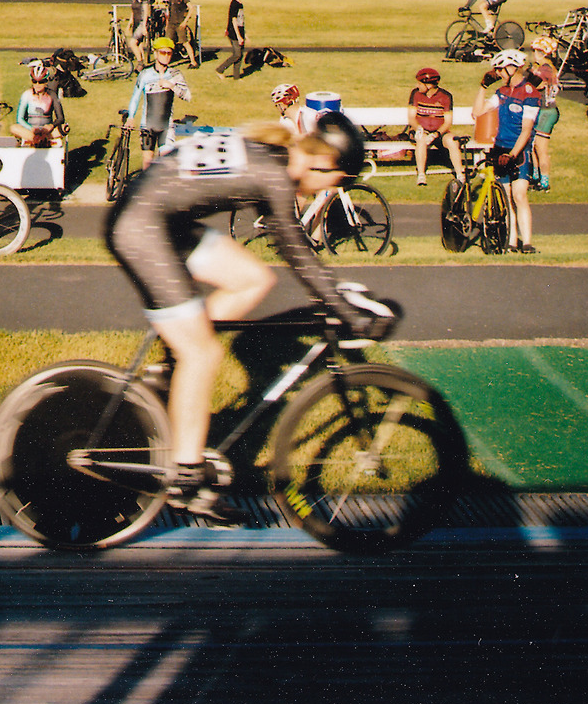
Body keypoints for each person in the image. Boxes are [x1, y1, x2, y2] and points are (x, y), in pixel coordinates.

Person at [106, 112, 390, 523]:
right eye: (340, 181)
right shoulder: (273, 174)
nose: (334, 190)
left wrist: (337, 302)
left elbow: (296, 257)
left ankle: (171, 363)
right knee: (202, 356)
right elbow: (297, 254)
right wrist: (345, 312)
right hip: (142, 228)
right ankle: (186, 480)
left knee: (252, 279)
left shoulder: (278, 156)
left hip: (161, 222)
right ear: (321, 163)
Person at [473, 49, 539, 253]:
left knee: (519, 195)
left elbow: (527, 131)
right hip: (500, 148)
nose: (499, 73)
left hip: (518, 151)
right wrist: (483, 87)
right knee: (507, 197)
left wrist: (512, 155)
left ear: (512, 68)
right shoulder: (501, 93)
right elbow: (477, 112)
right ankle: (511, 241)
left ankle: (526, 242)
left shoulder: (530, 93)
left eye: (501, 69)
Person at [125, 37, 192, 169]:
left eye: (169, 53)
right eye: (162, 53)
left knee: (166, 164)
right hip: (147, 126)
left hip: (166, 126)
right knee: (147, 163)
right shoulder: (145, 75)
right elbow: (135, 97)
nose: (166, 56)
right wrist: (131, 118)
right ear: (155, 54)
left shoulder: (175, 74)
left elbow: (188, 96)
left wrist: (172, 86)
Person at [408, 67, 466, 186]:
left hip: (439, 132)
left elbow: (448, 121)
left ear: (429, 85)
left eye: (420, 83)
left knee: (452, 141)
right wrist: (418, 128)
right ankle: (421, 174)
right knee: (421, 139)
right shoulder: (415, 94)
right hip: (421, 130)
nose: (417, 86)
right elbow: (411, 117)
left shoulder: (445, 96)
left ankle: (460, 174)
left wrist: (436, 134)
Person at [527, 36, 561, 191]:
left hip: (547, 111)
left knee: (541, 149)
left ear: (540, 52)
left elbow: (532, 85)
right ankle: (536, 176)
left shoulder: (544, 68)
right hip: (544, 110)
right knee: (534, 146)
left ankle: (545, 182)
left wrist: (529, 72)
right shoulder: (545, 66)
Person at [11, 62, 67, 147]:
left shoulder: (52, 95)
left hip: (47, 130)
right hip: (31, 131)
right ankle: (41, 140)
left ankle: (37, 140)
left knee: (65, 128)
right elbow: (19, 119)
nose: (37, 85)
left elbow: (60, 118)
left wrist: (51, 126)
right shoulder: (27, 94)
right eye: (34, 81)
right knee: (14, 128)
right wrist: (32, 129)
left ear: (46, 81)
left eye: (41, 82)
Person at [164, 0, 198, 69]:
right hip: (171, 23)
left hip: (180, 23)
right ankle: (165, 62)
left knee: (185, 42)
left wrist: (185, 21)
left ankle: (193, 62)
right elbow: (168, 9)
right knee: (168, 43)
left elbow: (191, 8)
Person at [215, 0, 247, 80]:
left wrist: (245, 35)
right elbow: (233, 20)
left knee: (239, 55)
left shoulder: (240, 4)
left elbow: (241, 21)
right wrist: (238, 36)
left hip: (240, 32)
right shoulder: (234, 4)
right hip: (234, 33)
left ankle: (236, 77)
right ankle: (220, 69)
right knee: (237, 54)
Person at [125, 0, 151, 70]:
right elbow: (133, 11)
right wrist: (130, 23)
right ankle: (143, 62)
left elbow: (146, 10)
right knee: (139, 44)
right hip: (136, 21)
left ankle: (140, 63)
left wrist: (144, 25)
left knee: (133, 43)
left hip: (142, 22)